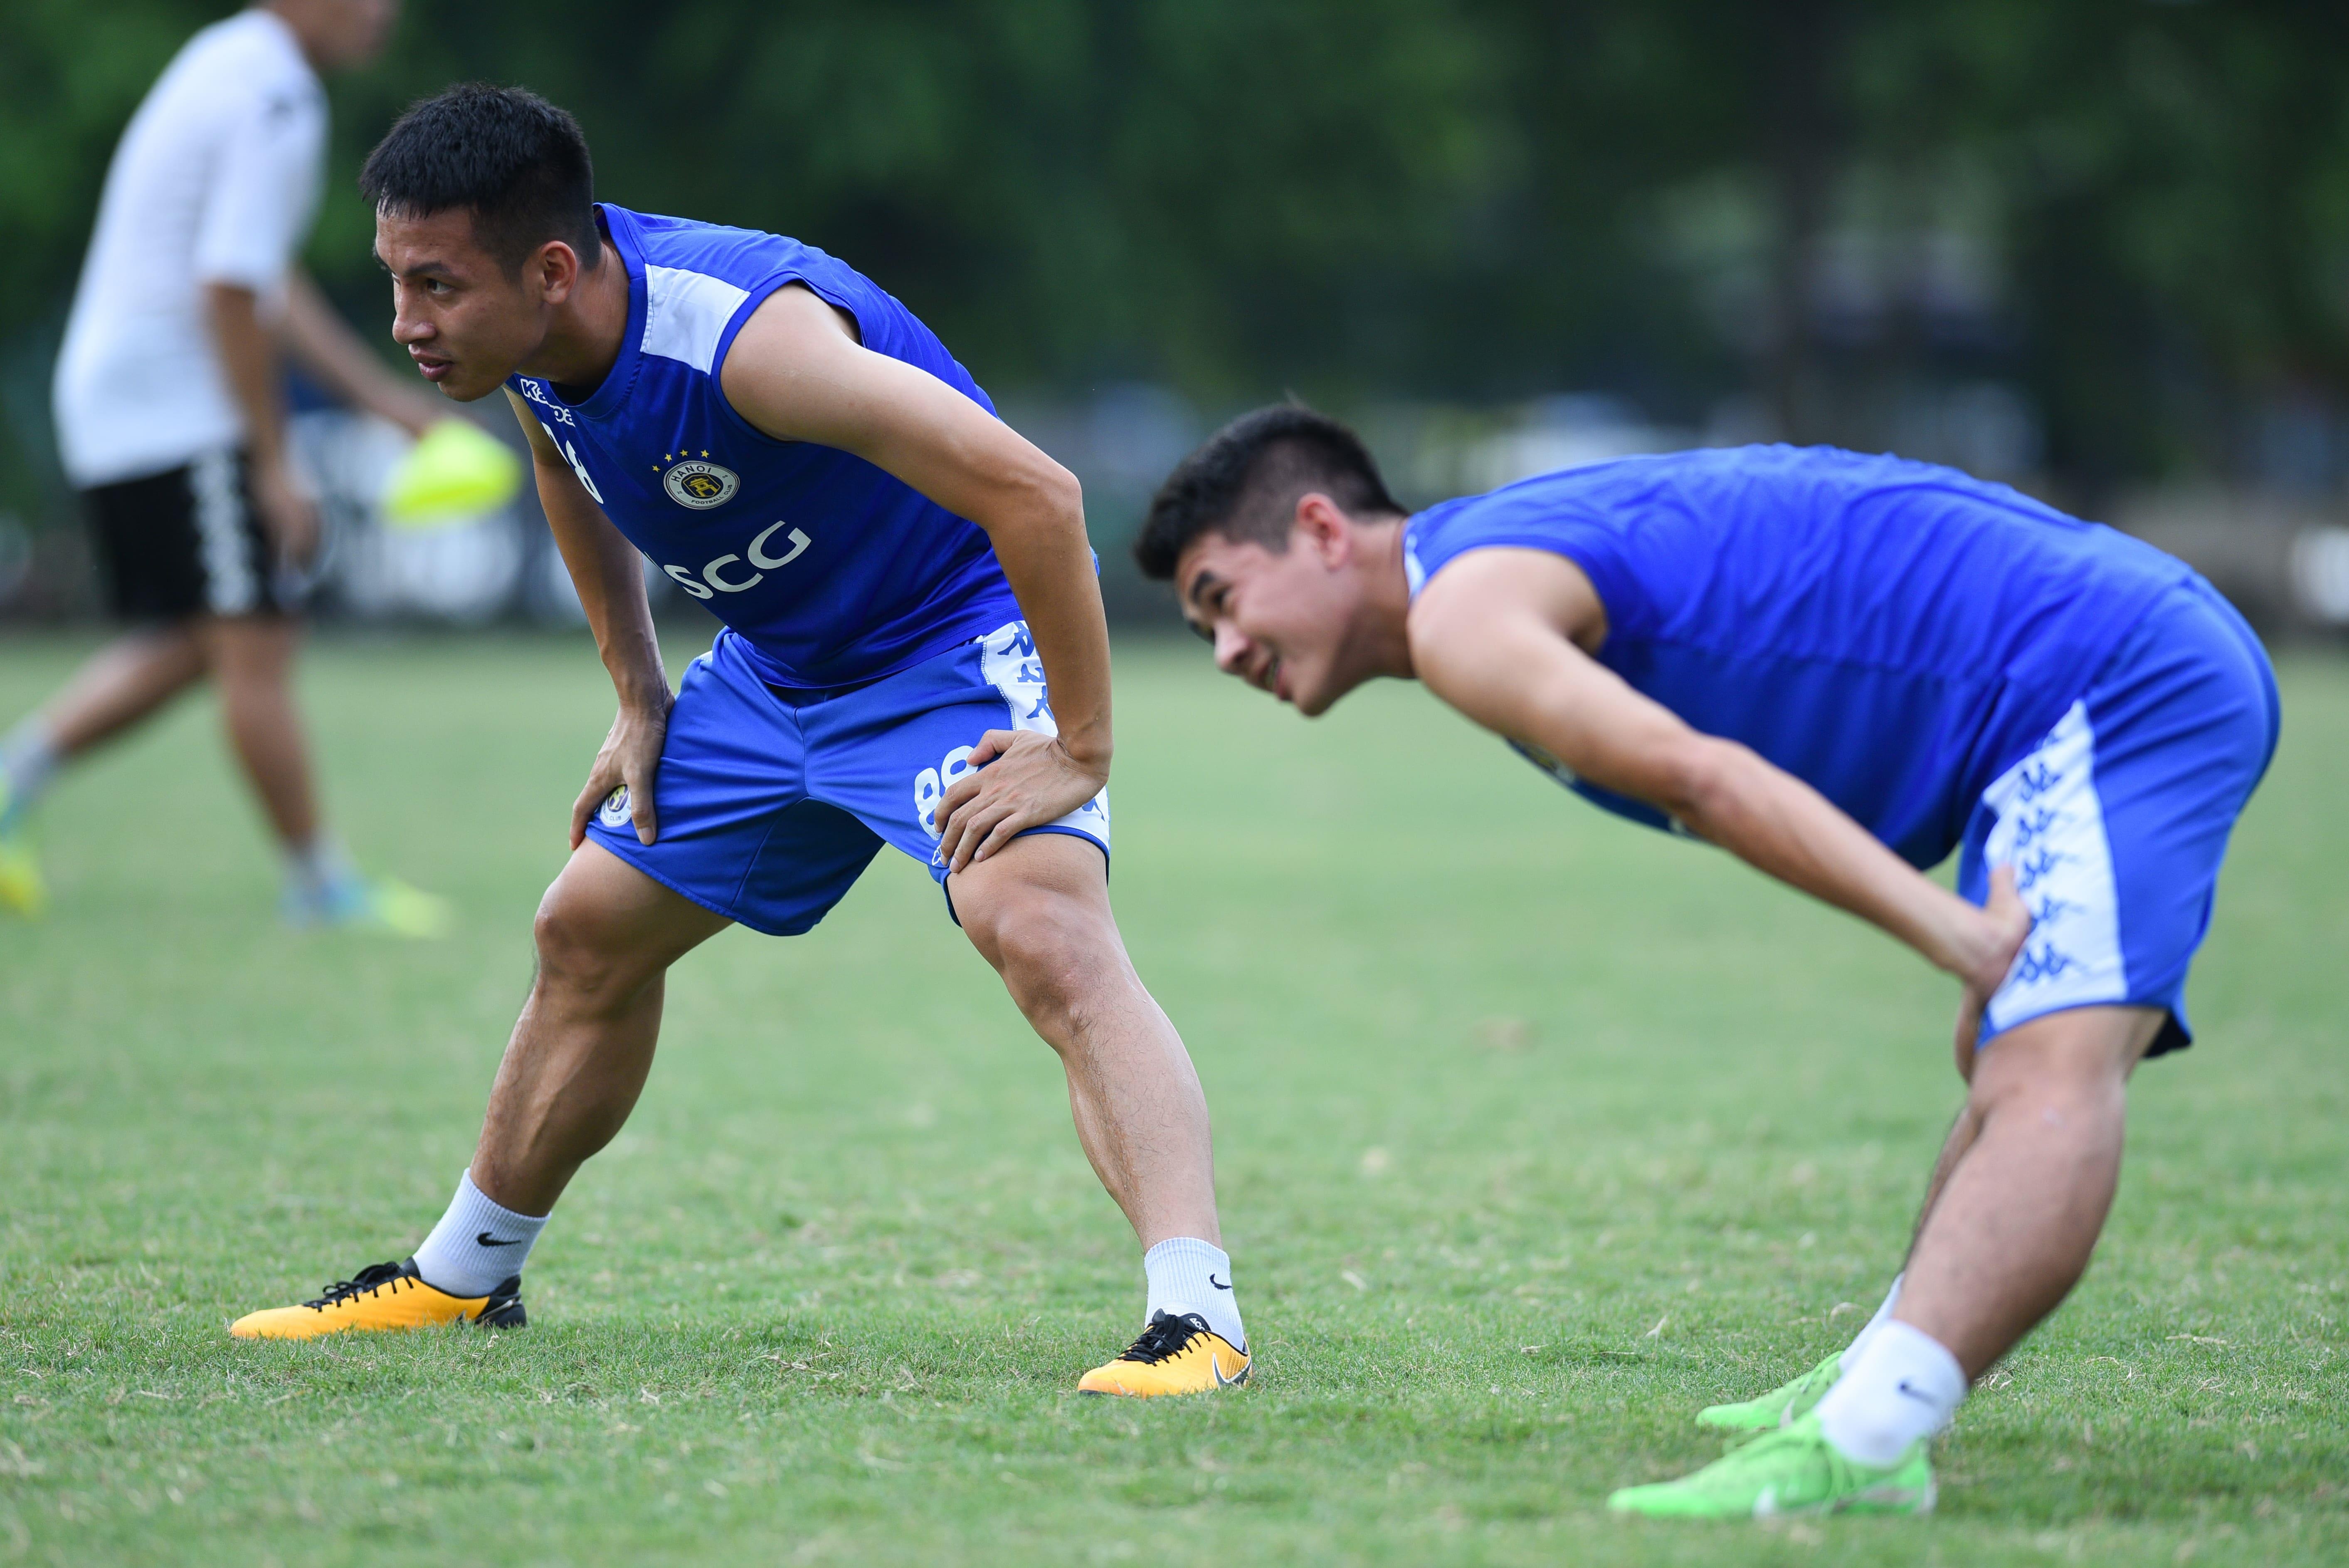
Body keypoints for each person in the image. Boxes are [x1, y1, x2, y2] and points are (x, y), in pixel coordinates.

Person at [226, 85, 1251, 1398]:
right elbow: (563, 461)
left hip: (944, 645)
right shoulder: (534, 350)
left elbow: (1036, 492)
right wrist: (638, 689)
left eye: (434, 286)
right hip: (772, 676)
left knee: (1042, 929)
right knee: (585, 927)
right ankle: (461, 1276)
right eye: (393, 284)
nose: (405, 326)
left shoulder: (751, 346)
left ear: (550, 270)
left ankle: (1197, 1320)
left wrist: (1084, 746)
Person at [1136, 407, 2278, 1512]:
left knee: (2048, 1067)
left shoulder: (1463, 611)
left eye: (1221, 599)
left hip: (2107, 675)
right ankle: (1872, 1373)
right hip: (2058, 682)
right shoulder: (1480, 569)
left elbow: (1703, 775)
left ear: (1326, 530)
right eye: (1203, 632)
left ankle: (1870, 1441)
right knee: (2003, 1051)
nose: (1229, 650)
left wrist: (1953, 932)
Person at [2, 0, 451, 933]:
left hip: (125, 396)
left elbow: (270, 283)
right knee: (257, 632)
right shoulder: (273, 96)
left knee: (205, 636)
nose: (385, 12)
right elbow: (230, 289)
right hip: (174, 405)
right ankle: (319, 884)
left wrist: (385, 404)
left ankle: (13, 779)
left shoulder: (229, 64)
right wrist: (272, 461)